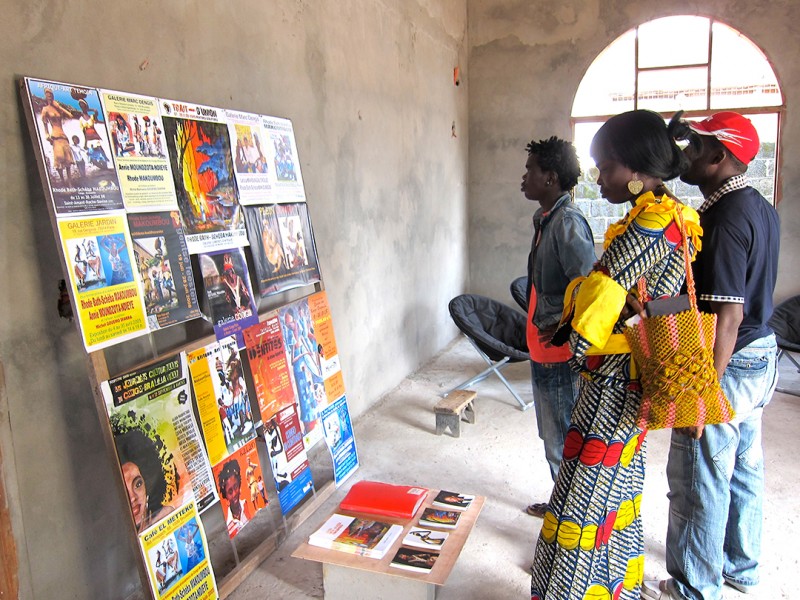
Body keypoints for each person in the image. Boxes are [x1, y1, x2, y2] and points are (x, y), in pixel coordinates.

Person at [530, 109, 701, 600]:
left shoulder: (646, 226)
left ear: (636, 171)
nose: (599, 177)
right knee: (617, 498)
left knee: (579, 505)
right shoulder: (673, 218)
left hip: (612, 384)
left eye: (606, 167)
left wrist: (579, 313)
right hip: (633, 378)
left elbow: (593, 303)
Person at [641, 113, 780, 600]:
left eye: (695, 148)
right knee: (743, 467)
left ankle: (692, 585)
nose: (686, 156)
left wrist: (700, 396)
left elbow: (727, 317)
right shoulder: (758, 205)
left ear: (721, 156)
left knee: (699, 475)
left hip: (730, 358)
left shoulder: (724, 219)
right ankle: (740, 567)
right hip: (761, 354)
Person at [520, 136, 596, 518]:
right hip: (541, 348)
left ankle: (572, 521)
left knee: (563, 439)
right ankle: (563, 505)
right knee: (552, 436)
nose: (525, 176)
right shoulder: (545, 219)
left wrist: (566, 331)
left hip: (559, 354)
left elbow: (589, 287)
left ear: (550, 177)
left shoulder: (566, 223)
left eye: (531, 169)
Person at [114, 428, 175, 532]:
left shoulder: (165, 516)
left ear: (147, 484)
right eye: (122, 491)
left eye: (137, 484)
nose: (132, 498)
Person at [39, 88, 75, 185]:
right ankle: (63, 181)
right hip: (55, 136)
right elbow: (45, 124)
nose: (49, 95)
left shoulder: (57, 108)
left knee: (68, 160)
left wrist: (59, 107)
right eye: (47, 94)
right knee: (59, 159)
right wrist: (46, 134)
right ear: (45, 96)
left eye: (50, 94)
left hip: (63, 136)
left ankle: (70, 182)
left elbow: (70, 116)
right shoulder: (45, 109)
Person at [217, 459, 254, 537]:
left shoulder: (248, 504)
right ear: (225, 496)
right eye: (230, 492)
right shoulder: (228, 523)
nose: (234, 493)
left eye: (236, 487)